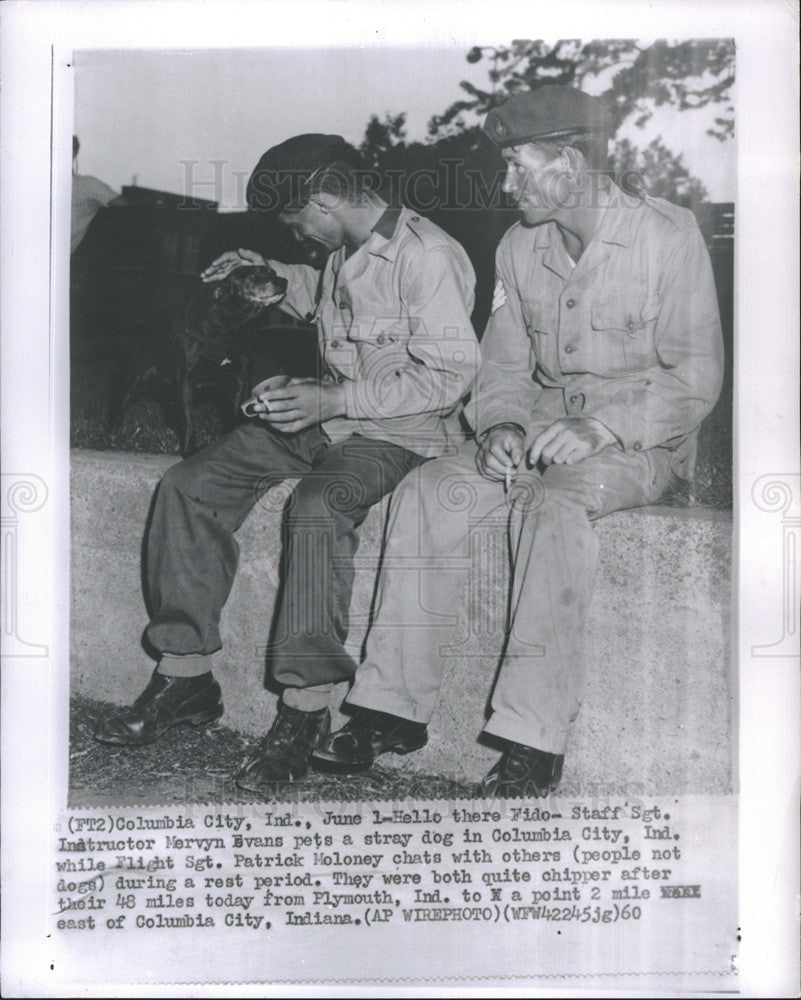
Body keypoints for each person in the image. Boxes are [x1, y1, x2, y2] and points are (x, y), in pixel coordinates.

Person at [312, 86, 725, 798]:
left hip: (636, 440)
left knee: (553, 513)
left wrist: (603, 426)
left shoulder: (666, 235)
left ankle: (534, 740)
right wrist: (500, 425)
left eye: (518, 166)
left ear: (568, 161)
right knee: (428, 491)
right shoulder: (518, 245)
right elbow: (500, 364)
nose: (506, 184)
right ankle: (390, 709)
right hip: (534, 428)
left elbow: (695, 375)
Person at [94, 134, 479, 794]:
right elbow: (327, 301)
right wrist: (264, 276)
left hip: (401, 431)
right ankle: (185, 677)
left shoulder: (427, 255)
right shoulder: (344, 249)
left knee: (317, 506)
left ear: (324, 200)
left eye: (293, 219)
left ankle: (305, 712)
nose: (295, 231)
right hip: (328, 417)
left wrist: (336, 396)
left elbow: (450, 376)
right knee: (189, 485)